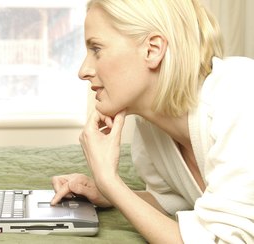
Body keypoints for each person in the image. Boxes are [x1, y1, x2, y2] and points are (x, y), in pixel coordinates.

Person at [50, 0, 254, 243]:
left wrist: (110, 182)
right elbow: (176, 200)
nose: (83, 70)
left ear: (152, 49)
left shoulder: (240, 95)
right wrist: (106, 193)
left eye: (96, 49)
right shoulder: (151, 129)